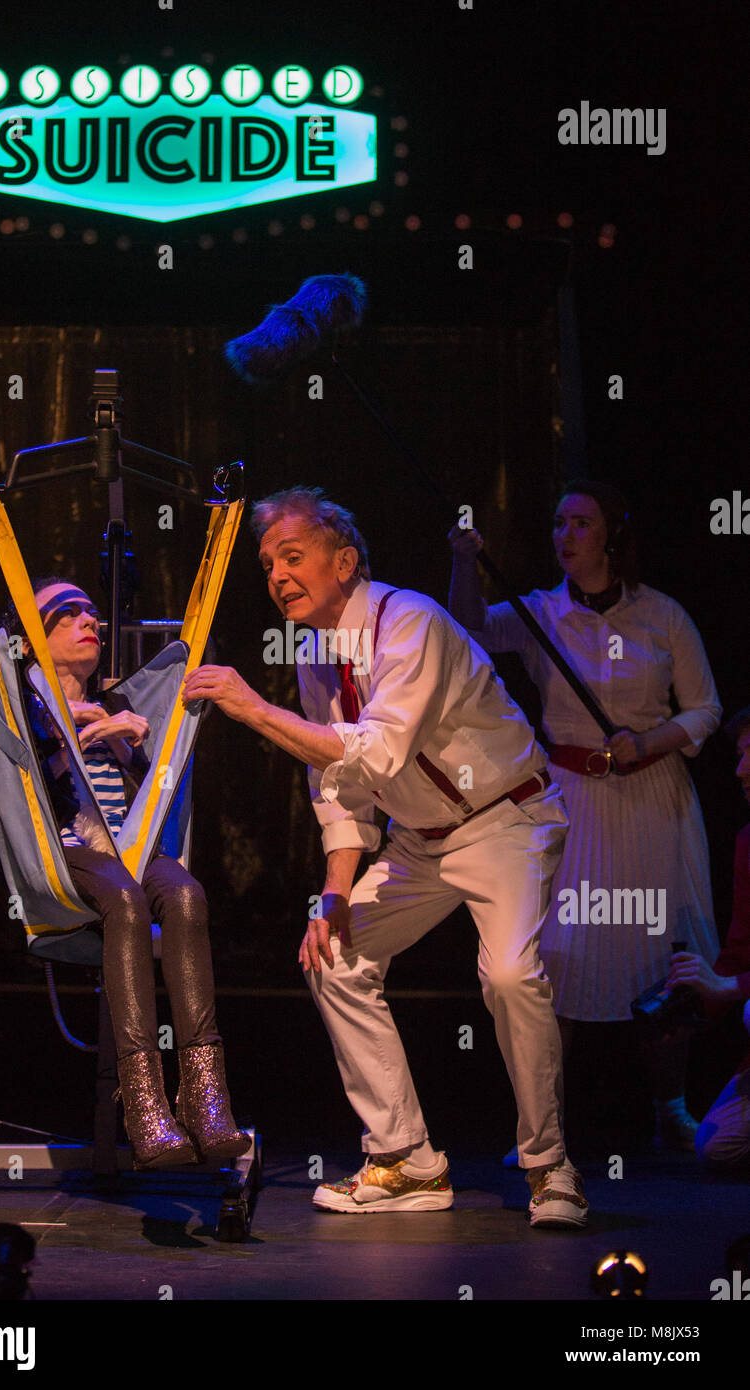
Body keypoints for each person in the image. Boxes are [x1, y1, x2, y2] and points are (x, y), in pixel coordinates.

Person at [181, 487, 589, 1227]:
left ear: (345, 561)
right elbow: (338, 784)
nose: (276, 575)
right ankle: (406, 1160)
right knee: (334, 956)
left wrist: (251, 707)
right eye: (268, 563)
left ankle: (550, 1165)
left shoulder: (412, 621)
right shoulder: (314, 655)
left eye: (293, 557)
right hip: (420, 843)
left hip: (504, 819)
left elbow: (379, 746)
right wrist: (335, 894)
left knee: (506, 975)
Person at [447, 481, 721, 1151]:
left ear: (610, 537)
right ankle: (545, 1125)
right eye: (558, 523)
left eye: (580, 523)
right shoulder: (541, 613)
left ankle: (670, 1109)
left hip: (651, 799)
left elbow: (706, 709)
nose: (564, 535)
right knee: (553, 960)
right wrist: (462, 559)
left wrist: (647, 742)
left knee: (662, 961)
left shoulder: (662, 617)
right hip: (567, 801)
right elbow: (468, 627)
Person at [1, 577, 249, 1170]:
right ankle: (143, 1101)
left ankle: (205, 1095)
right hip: (65, 854)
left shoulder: (117, 706)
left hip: (129, 846)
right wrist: (68, 738)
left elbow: (155, 797)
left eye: (93, 610)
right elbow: (28, 786)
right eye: (68, 613)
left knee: (186, 895)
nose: (89, 620)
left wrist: (130, 740)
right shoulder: (23, 707)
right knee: (124, 900)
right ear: (33, 639)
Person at [668, 707, 750, 1167]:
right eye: (740, 755)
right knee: (719, 1145)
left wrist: (733, 989)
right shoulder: (747, 842)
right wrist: (694, 1008)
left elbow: (738, 981)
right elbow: (740, 953)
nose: (741, 770)